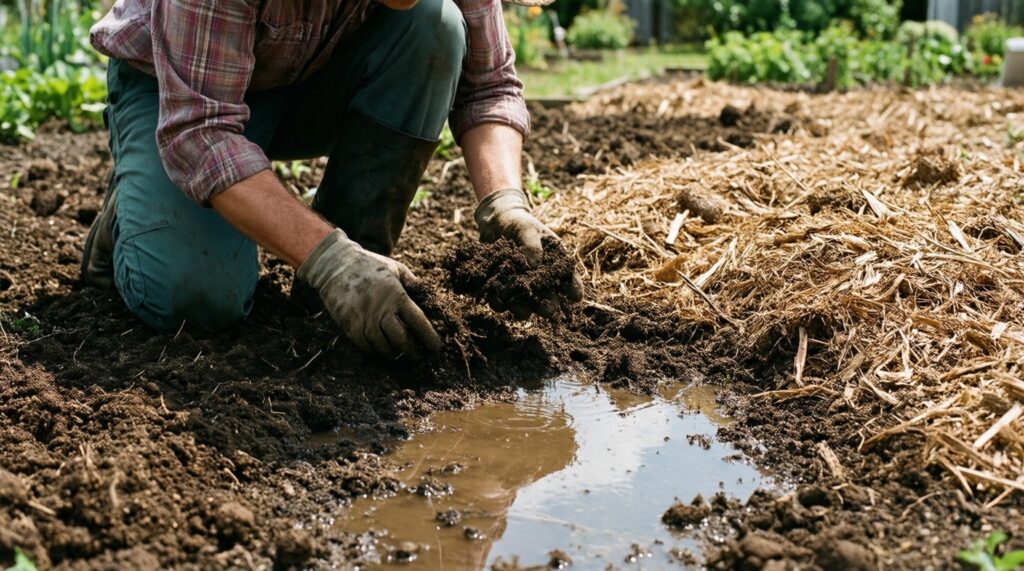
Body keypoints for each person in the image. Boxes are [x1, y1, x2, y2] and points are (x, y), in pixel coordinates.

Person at [81, 0, 581, 361]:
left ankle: (354, 274)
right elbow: (201, 133)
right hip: (180, 91)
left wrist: (505, 203)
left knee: (437, 25)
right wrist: (329, 259)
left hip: (306, 77)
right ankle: (131, 215)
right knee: (195, 304)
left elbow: (488, 84)